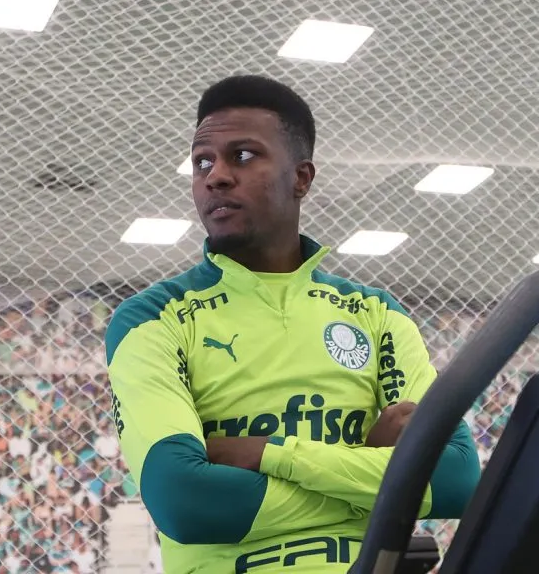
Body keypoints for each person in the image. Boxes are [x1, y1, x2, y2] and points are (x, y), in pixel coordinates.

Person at [104, 75, 481, 573]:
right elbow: (187, 502)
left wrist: (263, 453)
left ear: (301, 178)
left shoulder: (376, 314)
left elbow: (455, 480)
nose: (215, 175)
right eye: (202, 161)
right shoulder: (151, 318)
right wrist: (374, 479)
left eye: (241, 156)